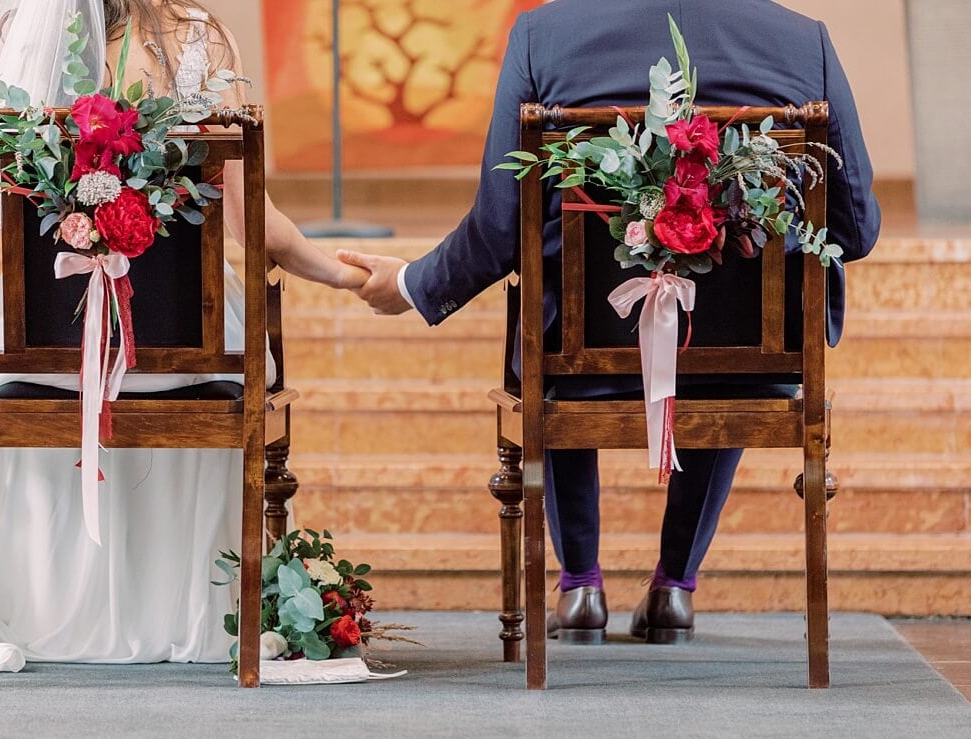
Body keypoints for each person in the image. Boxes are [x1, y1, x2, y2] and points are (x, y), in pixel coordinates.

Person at [0, 0, 365, 703]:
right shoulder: (200, 39)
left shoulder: (19, 40)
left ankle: (32, 616)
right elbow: (252, 216)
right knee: (234, 320)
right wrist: (339, 272)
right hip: (189, 354)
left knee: (4, 320)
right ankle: (195, 621)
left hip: (44, 357)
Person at [339, 0, 881, 644]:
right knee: (726, 329)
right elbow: (856, 225)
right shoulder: (801, 42)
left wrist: (412, 284)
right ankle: (674, 588)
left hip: (583, 345)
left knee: (556, 319)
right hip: (746, 354)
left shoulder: (545, 36)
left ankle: (579, 588)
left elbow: (499, 224)